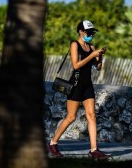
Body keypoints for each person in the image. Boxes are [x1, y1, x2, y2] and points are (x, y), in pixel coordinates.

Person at [47, 20, 109, 159]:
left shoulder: (91, 47)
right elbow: (76, 65)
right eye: (89, 32)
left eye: (92, 33)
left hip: (88, 85)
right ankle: (52, 143)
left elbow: (97, 68)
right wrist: (91, 56)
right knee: (71, 117)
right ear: (81, 32)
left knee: (91, 115)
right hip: (75, 84)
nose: (91, 35)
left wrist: (100, 57)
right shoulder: (74, 44)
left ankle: (94, 150)